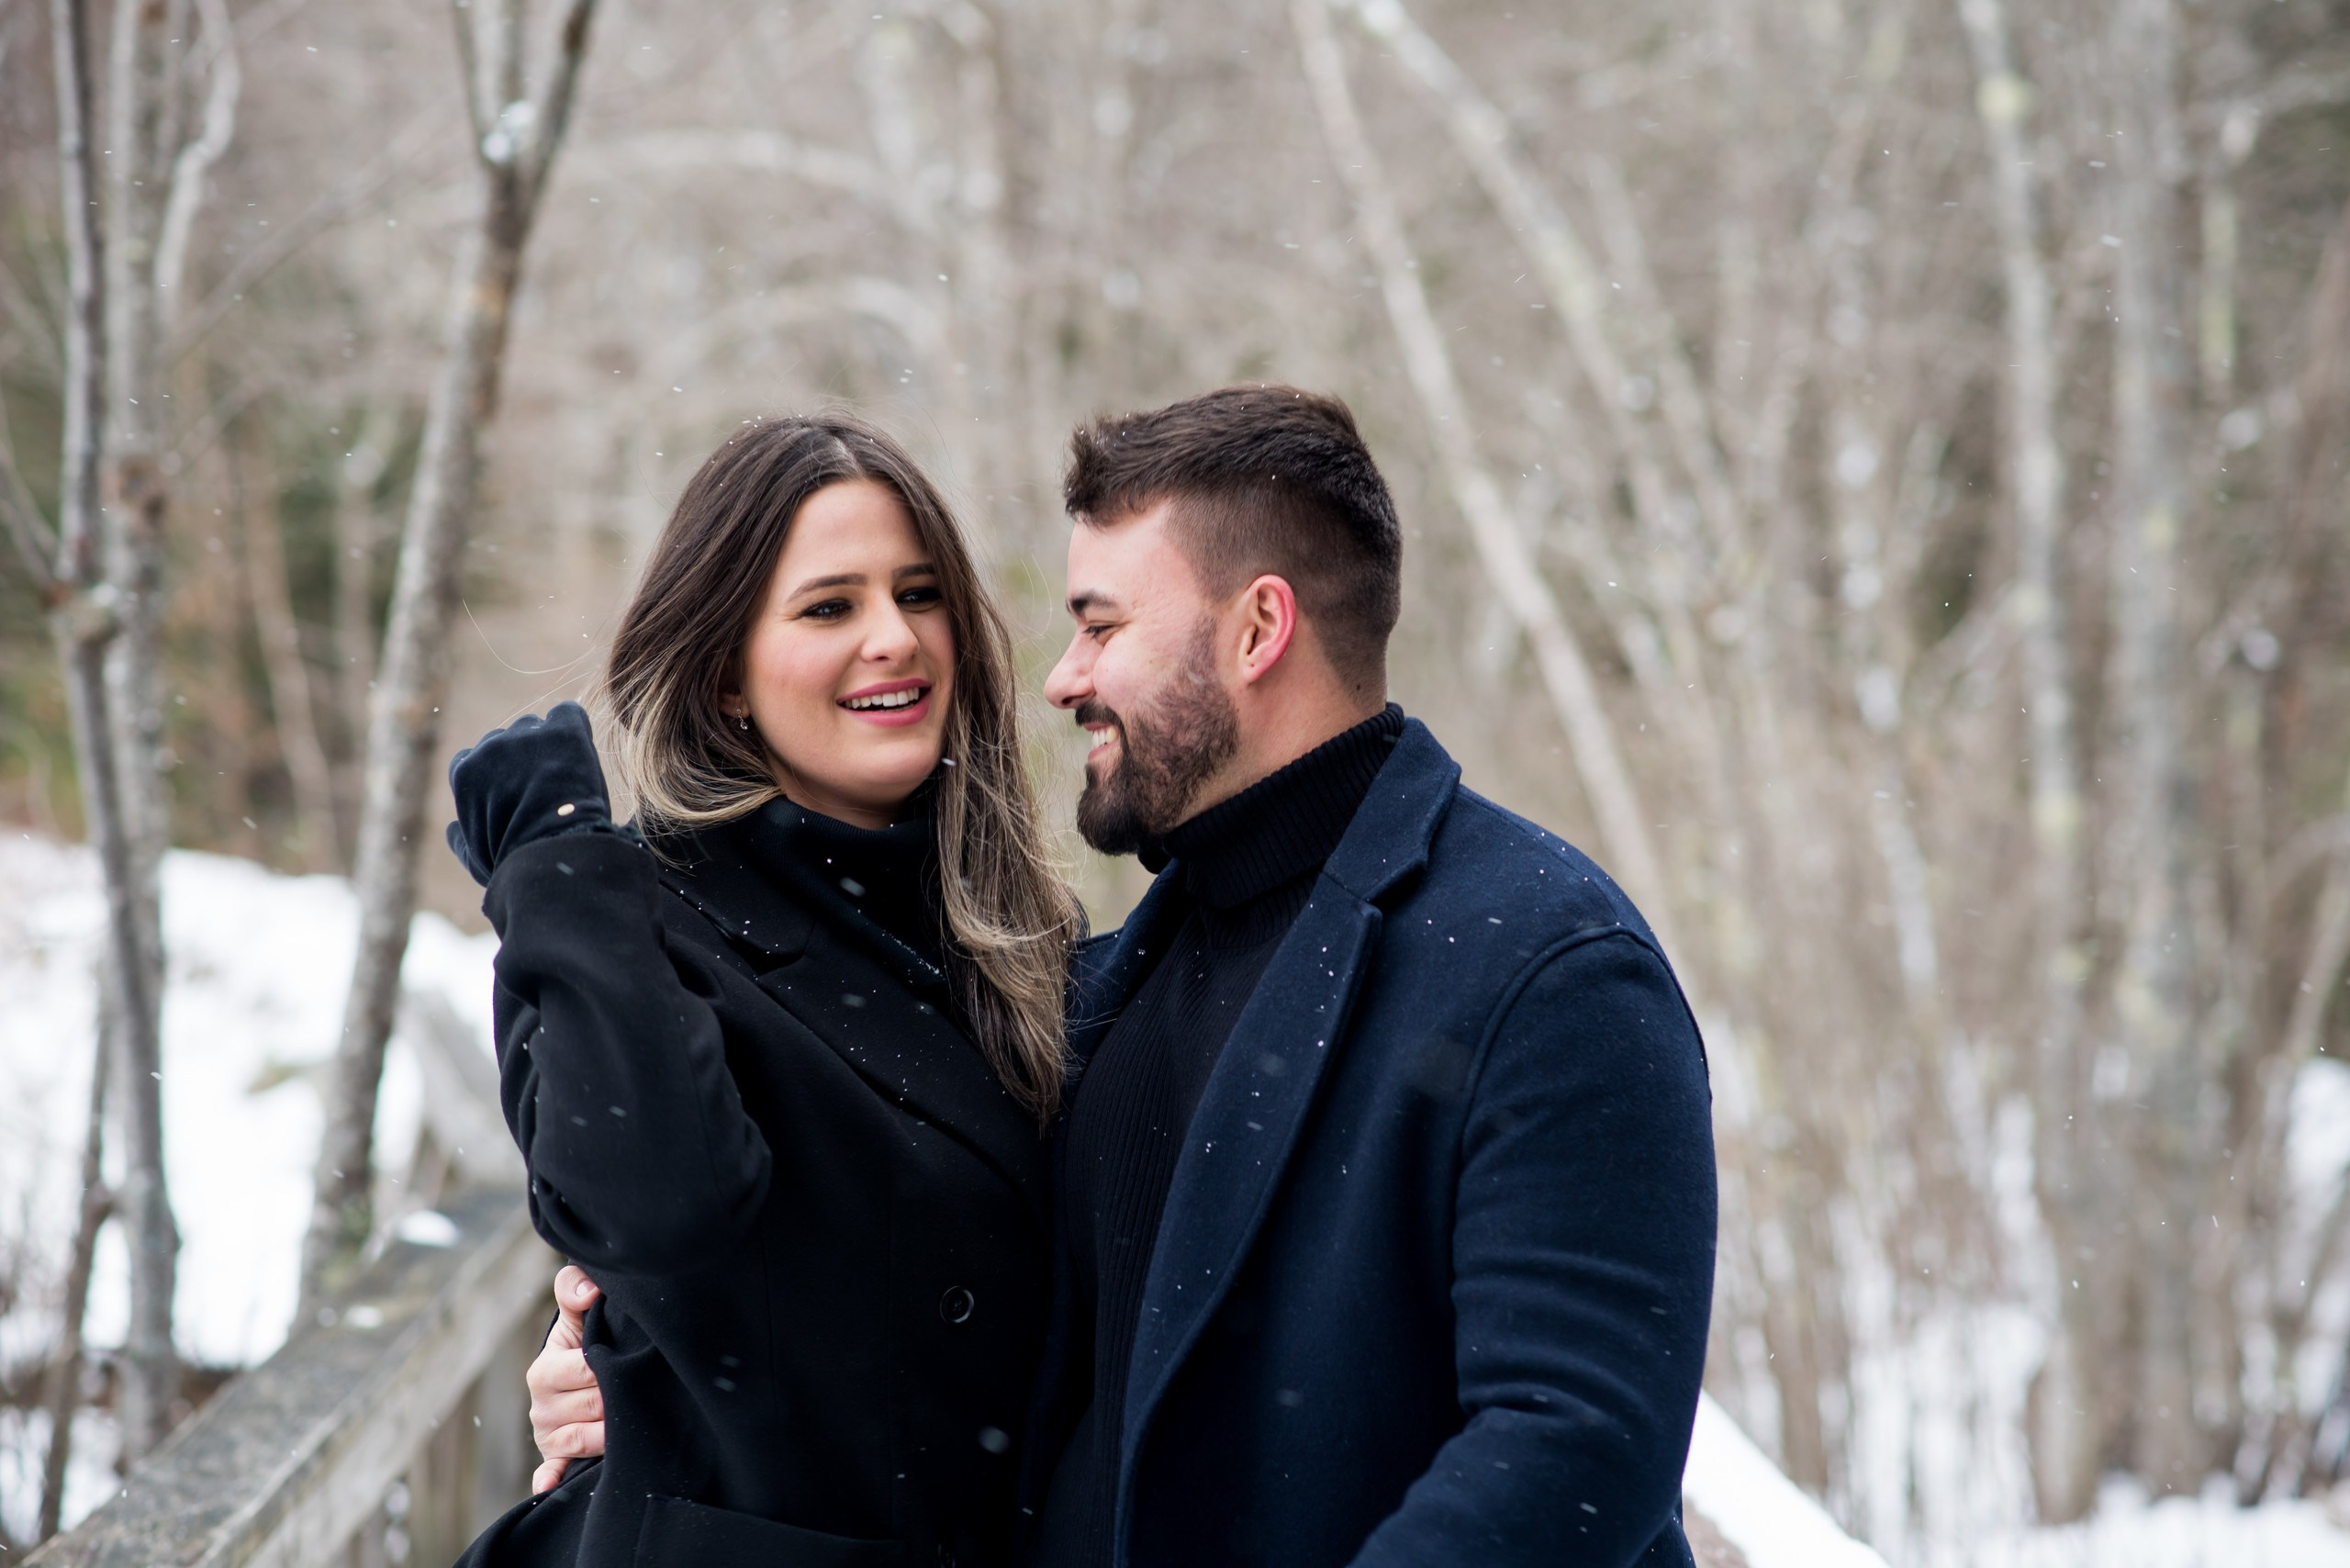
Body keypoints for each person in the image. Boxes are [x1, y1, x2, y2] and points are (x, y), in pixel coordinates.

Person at [530, 386, 1719, 1568]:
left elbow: (1575, 1447)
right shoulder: (1105, 990)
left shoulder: (1542, 965)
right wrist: (646, 1383)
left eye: (1102, 625)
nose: (1062, 677)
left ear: (1258, 631)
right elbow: (934, 1298)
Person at [444, 413, 1080, 1567]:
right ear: (725, 675)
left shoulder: (1026, 943)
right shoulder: (627, 930)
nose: (893, 636)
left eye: (920, 593)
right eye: (829, 606)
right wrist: (558, 861)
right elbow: (656, 1204)